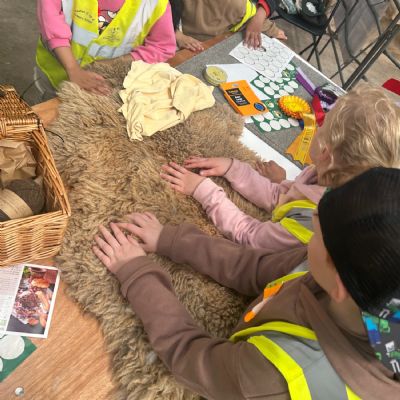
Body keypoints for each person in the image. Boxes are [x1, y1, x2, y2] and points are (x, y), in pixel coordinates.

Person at [92, 167, 400, 399]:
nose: (309, 235)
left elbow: (188, 355)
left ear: (339, 282)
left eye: (316, 233)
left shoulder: (280, 376)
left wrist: (136, 272)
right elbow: (253, 266)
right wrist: (170, 240)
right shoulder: (364, 286)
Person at [160, 84, 400, 252]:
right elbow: (281, 198)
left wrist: (204, 191)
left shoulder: (316, 218)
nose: (317, 127)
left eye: (321, 125)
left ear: (325, 151)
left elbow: (251, 237)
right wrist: (234, 168)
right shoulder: (324, 176)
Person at [35, 0, 176, 97]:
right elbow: (51, 21)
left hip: (103, 84)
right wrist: (72, 68)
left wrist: (111, 64)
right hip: (55, 75)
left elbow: (162, 46)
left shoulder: (155, 4)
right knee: (47, 112)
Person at [169, 0, 287, 52]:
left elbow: (247, 13)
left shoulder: (237, 6)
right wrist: (176, 34)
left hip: (203, 43)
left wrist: (261, 15)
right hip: (171, 31)